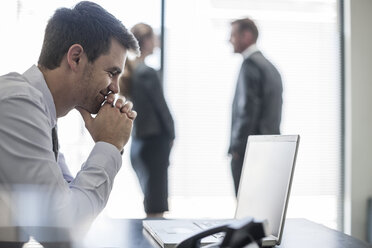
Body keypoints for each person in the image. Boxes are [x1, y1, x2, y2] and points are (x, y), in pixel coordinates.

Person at [0, 0, 139, 241]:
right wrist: (108, 145)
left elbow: (68, 204)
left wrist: (108, 145)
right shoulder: (18, 104)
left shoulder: (40, 110)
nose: (115, 89)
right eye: (111, 73)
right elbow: (62, 231)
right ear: (75, 58)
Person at [119, 23, 175, 218]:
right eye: (154, 37)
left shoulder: (131, 71)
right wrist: (172, 133)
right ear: (146, 41)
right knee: (156, 209)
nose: (157, 42)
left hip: (140, 143)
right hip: (155, 143)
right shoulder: (147, 72)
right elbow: (161, 107)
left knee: (151, 203)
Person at [228, 18, 283, 196]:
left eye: (233, 35)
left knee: (247, 210)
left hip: (249, 152)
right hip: (268, 150)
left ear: (247, 36)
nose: (229, 40)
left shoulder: (250, 65)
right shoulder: (270, 66)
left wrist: (237, 147)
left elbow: (247, 110)